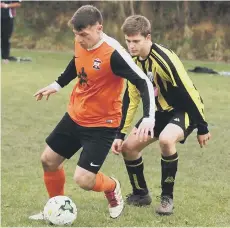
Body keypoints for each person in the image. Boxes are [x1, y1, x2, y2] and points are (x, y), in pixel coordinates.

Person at [29, 6, 155, 221]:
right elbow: (76, 62)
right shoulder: (80, 41)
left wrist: (149, 117)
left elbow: (143, 81)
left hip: (101, 125)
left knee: (84, 180)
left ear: (99, 28)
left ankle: (112, 187)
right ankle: (55, 207)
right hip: (75, 116)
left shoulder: (114, 54)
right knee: (48, 160)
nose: (79, 40)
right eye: (76, 35)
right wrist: (57, 85)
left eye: (84, 35)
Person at [112, 15, 211, 215]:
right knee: (129, 148)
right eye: (128, 41)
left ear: (148, 37)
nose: (131, 46)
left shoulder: (164, 59)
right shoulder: (132, 61)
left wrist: (202, 126)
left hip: (184, 110)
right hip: (157, 113)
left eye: (136, 41)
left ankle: (167, 199)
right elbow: (131, 99)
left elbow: (188, 92)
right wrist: (120, 134)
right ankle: (140, 194)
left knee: (166, 140)